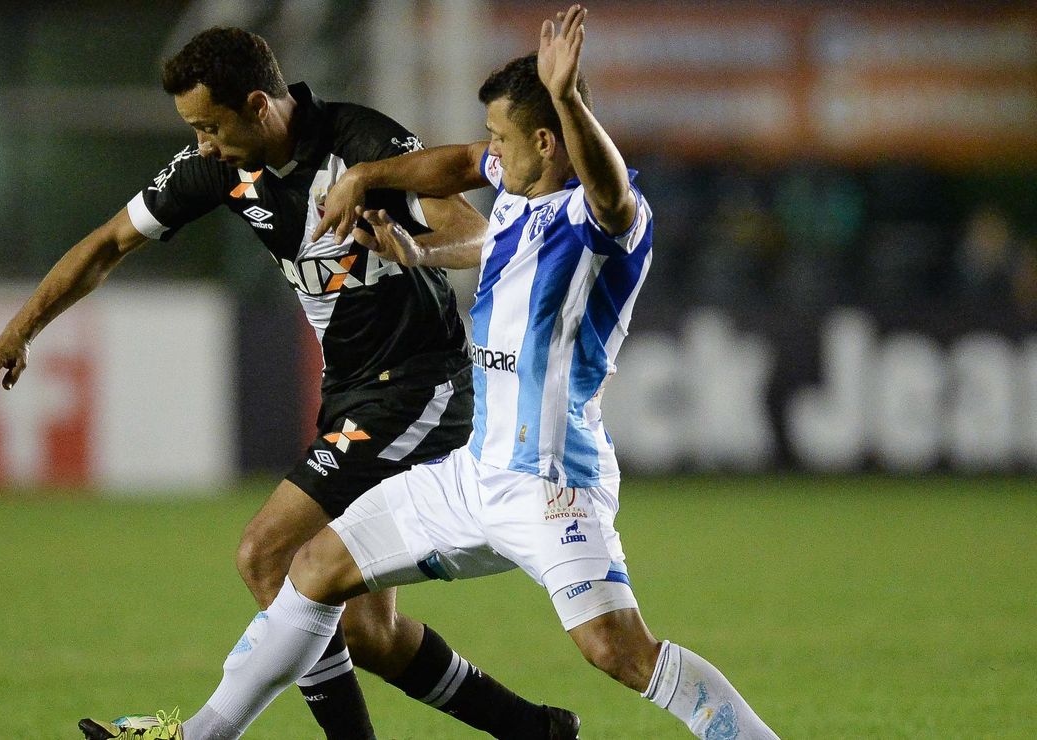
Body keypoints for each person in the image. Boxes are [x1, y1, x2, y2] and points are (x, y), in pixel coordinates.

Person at [79, 5, 780, 740]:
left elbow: (607, 187)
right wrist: (375, 188)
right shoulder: (516, 194)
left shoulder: (603, 221)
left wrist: (569, 98)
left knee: (618, 651)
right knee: (313, 567)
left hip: (551, 488)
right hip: (472, 475)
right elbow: (451, 164)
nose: (490, 156)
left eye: (503, 141)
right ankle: (197, 737)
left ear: (548, 140)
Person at [0, 24, 578, 740]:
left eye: (210, 126)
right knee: (366, 630)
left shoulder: (363, 144)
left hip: (420, 387)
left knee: (268, 554)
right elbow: (109, 244)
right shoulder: (222, 167)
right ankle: (536, 731)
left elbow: (476, 234)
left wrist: (412, 250)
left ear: (258, 106)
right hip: (352, 392)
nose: (202, 145)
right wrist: (19, 331)